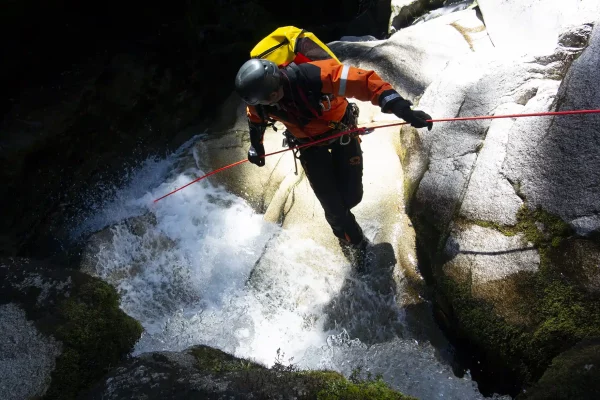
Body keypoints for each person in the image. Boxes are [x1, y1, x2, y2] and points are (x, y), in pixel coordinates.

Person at [234, 57, 433, 265]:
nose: (260, 106)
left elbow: (364, 82)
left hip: (342, 133)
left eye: (264, 102)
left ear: (273, 94)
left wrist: (403, 109)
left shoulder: (315, 75)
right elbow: (254, 119)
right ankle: (356, 244)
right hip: (308, 145)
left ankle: (345, 222)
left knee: (352, 197)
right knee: (334, 209)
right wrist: (256, 146)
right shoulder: (260, 102)